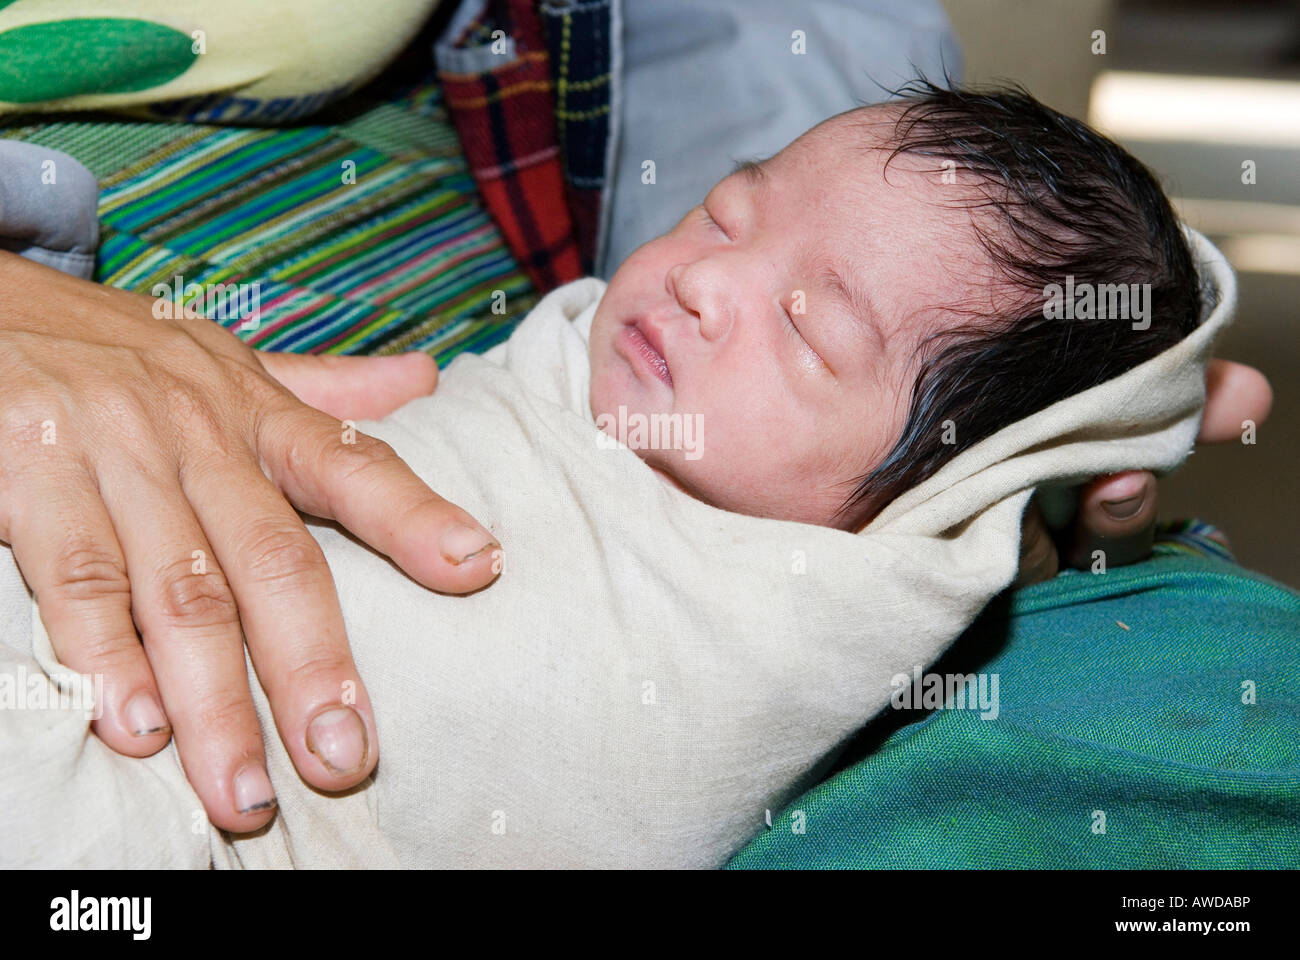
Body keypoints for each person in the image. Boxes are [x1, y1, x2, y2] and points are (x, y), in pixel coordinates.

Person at [0, 86, 1268, 867]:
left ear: (960, 485)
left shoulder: (838, 583)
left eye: (809, 330)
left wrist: (1153, 397)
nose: (706, 282)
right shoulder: (597, 356)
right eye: (725, 212)